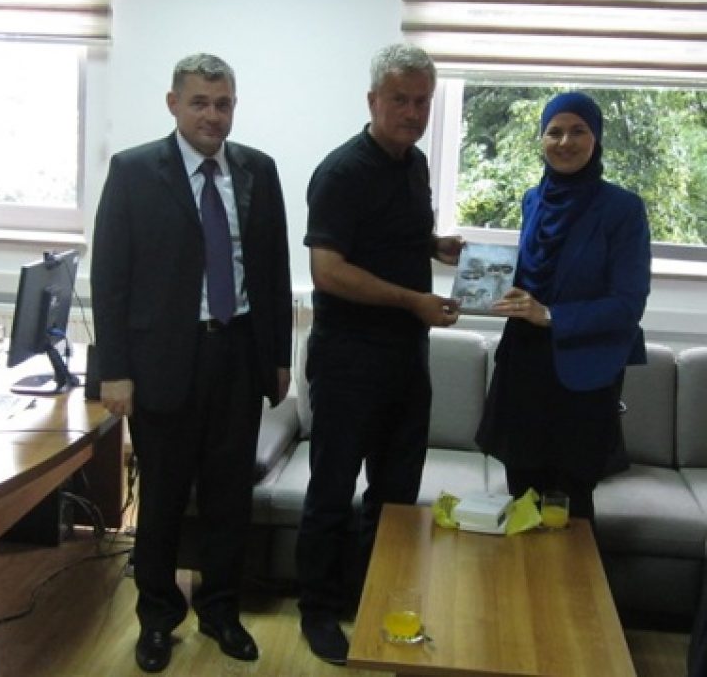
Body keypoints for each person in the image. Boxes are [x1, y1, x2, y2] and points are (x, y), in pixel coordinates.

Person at [91, 53, 293, 673]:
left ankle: (221, 610)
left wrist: (278, 357)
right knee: (163, 499)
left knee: (230, 497)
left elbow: (274, 270)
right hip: (162, 361)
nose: (212, 115)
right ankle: (157, 618)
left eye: (223, 103)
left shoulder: (258, 170)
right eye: (200, 102)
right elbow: (110, 276)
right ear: (173, 103)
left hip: (237, 353)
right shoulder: (133, 171)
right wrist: (114, 369)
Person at [295, 43, 462, 665]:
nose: (412, 112)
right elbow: (329, 270)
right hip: (348, 360)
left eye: (422, 101)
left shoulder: (415, 165)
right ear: (373, 100)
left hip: (405, 360)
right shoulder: (341, 172)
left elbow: (394, 237)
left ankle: (373, 600)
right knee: (332, 491)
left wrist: (436, 245)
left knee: (395, 496)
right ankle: (318, 611)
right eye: (400, 100)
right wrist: (413, 299)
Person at [476, 91, 651, 524]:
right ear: (541, 139)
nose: (565, 142)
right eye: (554, 132)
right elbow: (532, 275)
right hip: (523, 365)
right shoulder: (532, 200)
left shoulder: (623, 209)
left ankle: (574, 575)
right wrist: (479, 277)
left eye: (578, 131)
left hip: (583, 376)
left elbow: (628, 304)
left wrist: (551, 314)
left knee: (569, 510)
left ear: (596, 138)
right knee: (522, 500)